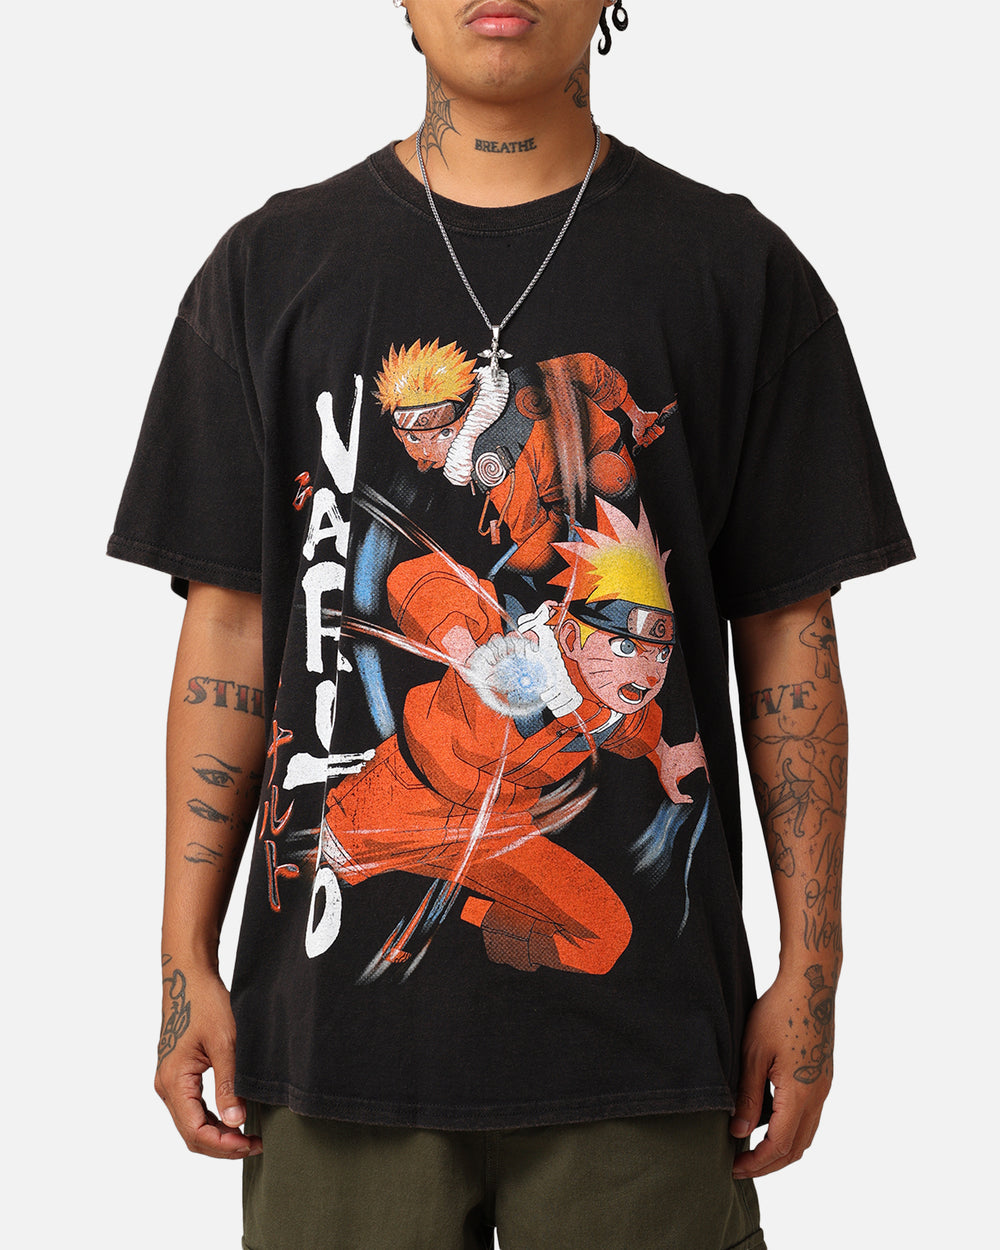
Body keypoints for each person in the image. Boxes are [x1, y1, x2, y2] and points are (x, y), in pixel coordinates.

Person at [108, 3, 914, 1247]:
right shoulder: (272, 269)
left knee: (595, 928)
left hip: (645, 1048)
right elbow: (229, 634)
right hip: (334, 1043)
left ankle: (450, 878)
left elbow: (787, 641)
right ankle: (376, 843)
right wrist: (182, 961)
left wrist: (811, 973)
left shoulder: (733, 269)